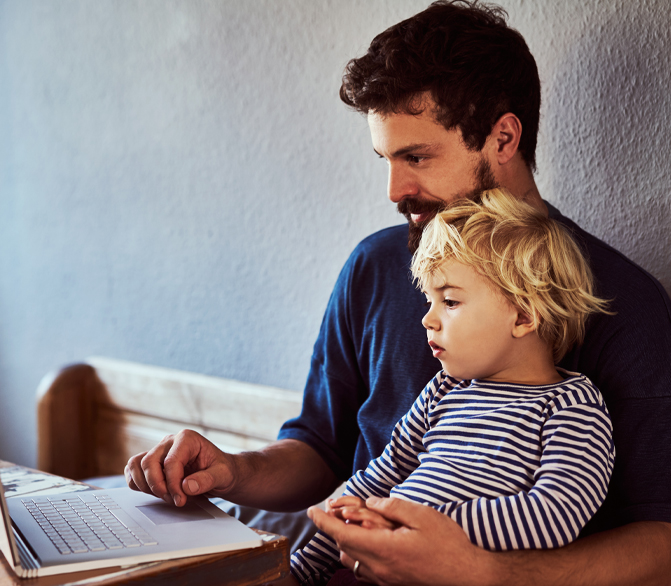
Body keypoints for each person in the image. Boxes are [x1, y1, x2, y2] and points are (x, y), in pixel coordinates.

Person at [125, 2, 671, 584]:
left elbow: (660, 541)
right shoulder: (376, 264)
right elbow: (322, 450)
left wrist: (480, 570)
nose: (394, 190)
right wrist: (232, 472)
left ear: (503, 138)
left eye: (417, 156)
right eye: (386, 158)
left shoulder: (617, 303)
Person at [290, 190, 616, 585]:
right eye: (429, 301)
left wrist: (419, 524)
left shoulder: (571, 408)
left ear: (524, 315)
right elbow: (385, 471)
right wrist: (313, 551)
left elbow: (554, 514)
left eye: (450, 302)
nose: (428, 319)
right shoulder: (443, 389)